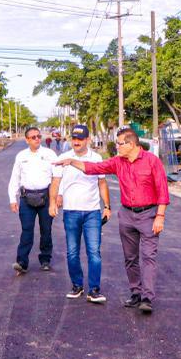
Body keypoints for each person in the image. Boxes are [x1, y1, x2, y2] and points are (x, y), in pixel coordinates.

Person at [54, 126, 169, 315]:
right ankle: (136, 293)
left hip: (149, 215)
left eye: (119, 143)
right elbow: (94, 168)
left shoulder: (152, 161)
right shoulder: (118, 162)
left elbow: (162, 190)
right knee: (130, 258)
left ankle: (147, 298)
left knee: (148, 256)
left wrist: (160, 216)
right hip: (126, 215)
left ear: (131, 144)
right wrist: (71, 162)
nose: (117, 146)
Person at [50, 124, 111, 303]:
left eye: (80, 139)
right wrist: (53, 202)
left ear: (88, 140)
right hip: (71, 212)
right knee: (72, 252)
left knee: (94, 252)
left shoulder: (97, 157)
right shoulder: (63, 158)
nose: (76, 142)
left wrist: (107, 206)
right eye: (74, 138)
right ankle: (77, 285)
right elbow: (55, 182)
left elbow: (102, 183)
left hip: (92, 211)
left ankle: (94, 290)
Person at [8, 127, 58, 273]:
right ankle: (22, 262)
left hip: (45, 197)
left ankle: (45, 259)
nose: (37, 139)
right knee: (26, 230)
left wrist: (57, 198)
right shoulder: (21, 156)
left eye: (38, 136)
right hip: (26, 199)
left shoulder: (49, 154)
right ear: (27, 140)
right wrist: (13, 199)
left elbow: (57, 177)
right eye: (33, 137)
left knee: (46, 230)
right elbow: (15, 178)